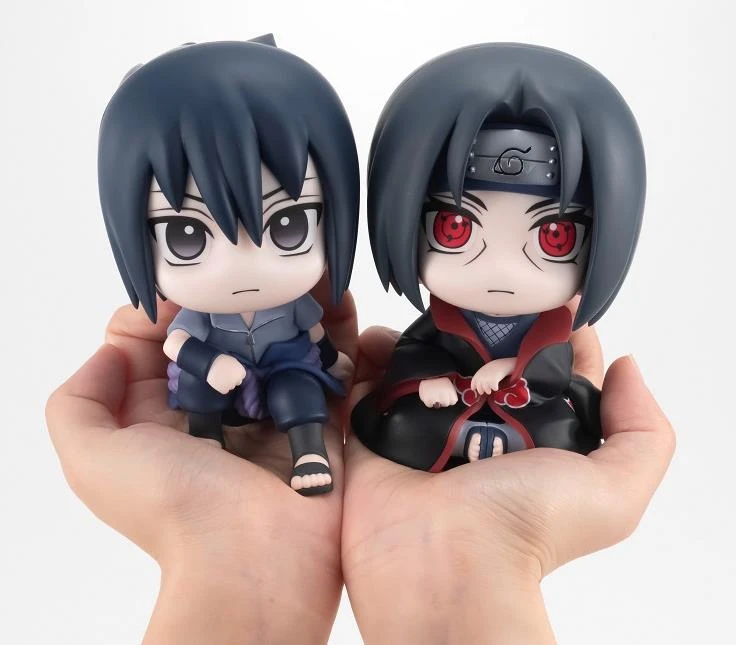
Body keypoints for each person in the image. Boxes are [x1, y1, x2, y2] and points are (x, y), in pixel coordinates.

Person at [46, 287, 674, 644]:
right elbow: (178, 340)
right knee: (207, 395)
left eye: (288, 226)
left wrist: (329, 364)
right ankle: (209, 436)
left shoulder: (550, 324)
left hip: (494, 410)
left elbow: (319, 341)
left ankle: (309, 450)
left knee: (301, 396)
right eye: (456, 227)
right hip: (226, 380)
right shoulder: (198, 311)